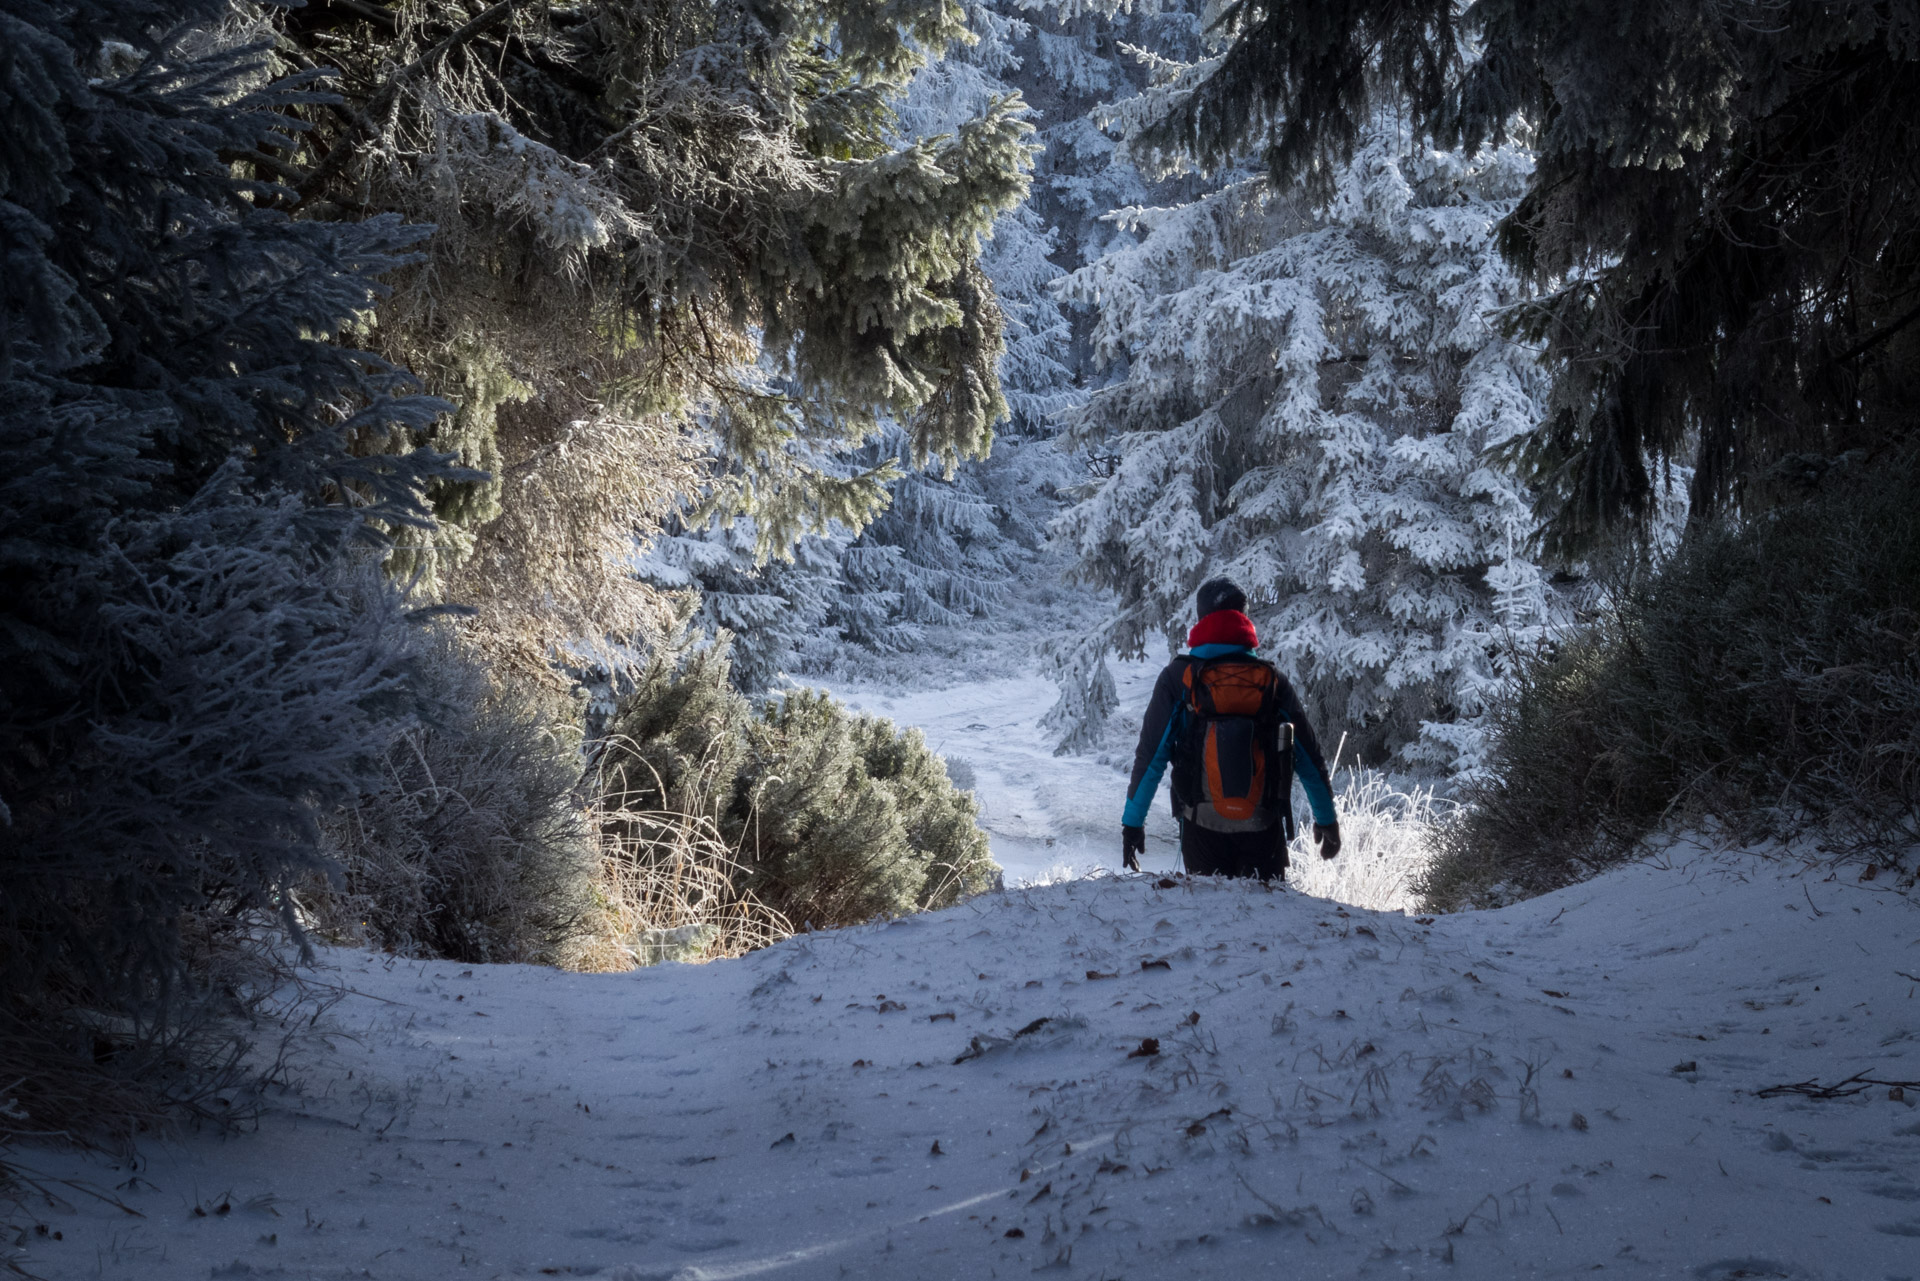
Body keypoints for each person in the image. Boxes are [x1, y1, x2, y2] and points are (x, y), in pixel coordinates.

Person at [1121, 578, 1340, 880]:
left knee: (1211, 920)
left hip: (1200, 826)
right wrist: (1326, 820)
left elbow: (1151, 757)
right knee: (1266, 918)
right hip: (1263, 825)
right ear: (1244, 618)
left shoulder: (1178, 677)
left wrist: (1133, 825)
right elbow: (1308, 757)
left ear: (1200, 618)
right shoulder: (1271, 679)